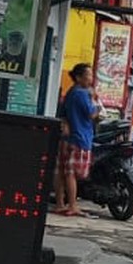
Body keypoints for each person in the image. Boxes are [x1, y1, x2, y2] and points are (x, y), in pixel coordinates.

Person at [54, 64, 100, 217]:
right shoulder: (81, 93)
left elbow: (62, 113)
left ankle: (60, 203)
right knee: (72, 173)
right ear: (79, 77)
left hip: (67, 138)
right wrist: (95, 101)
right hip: (79, 137)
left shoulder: (71, 92)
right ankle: (72, 205)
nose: (91, 79)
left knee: (61, 171)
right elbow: (91, 114)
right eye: (88, 75)